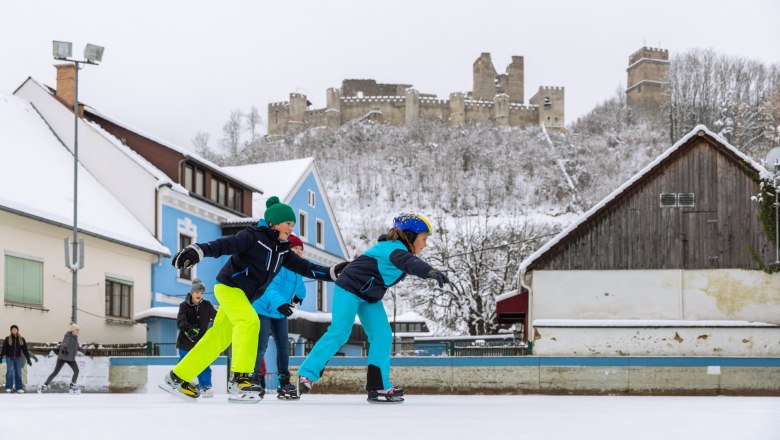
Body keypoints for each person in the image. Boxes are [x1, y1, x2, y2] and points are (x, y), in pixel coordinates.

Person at [162, 196, 347, 403]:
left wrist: (330, 272)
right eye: (288, 223)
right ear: (273, 223)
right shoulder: (253, 236)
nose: (291, 228)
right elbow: (225, 245)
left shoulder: (283, 250)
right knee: (250, 321)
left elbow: (305, 267)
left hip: (244, 297)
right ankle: (240, 378)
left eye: (293, 225)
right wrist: (198, 250)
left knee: (219, 338)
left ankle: (178, 377)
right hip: (229, 287)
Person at [297, 213, 449, 403]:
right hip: (349, 289)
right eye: (424, 239)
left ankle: (378, 387)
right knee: (340, 332)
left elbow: (407, 263)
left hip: (369, 296)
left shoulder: (399, 251)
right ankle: (307, 374)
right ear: (410, 236)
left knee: (382, 335)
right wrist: (428, 271)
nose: (425, 244)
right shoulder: (393, 249)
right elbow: (409, 263)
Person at [251, 233, 307, 400]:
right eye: (295, 248)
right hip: (263, 308)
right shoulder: (280, 266)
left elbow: (301, 285)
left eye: (301, 249)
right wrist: (281, 303)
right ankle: (253, 379)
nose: (298, 252)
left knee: (283, 345)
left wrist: (299, 296)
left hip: (279, 311)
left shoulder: (298, 269)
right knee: (261, 345)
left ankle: (284, 383)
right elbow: (269, 288)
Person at [176, 277, 217, 397]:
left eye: (201, 292)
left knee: (204, 364)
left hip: (201, 342)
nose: (199, 294)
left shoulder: (207, 305)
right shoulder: (184, 306)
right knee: (185, 363)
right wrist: (188, 329)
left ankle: (205, 386)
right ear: (191, 293)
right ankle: (180, 383)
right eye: (196, 292)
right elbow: (181, 320)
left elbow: (217, 317)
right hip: (185, 342)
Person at [40, 324, 85, 394]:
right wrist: (64, 348)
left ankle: (72, 387)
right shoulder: (68, 335)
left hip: (70, 358)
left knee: (76, 370)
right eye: (77, 330)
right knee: (55, 372)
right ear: (73, 330)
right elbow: (65, 343)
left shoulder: (75, 338)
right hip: (63, 357)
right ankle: (44, 385)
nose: (78, 331)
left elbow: (77, 347)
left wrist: (85, 351)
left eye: (78, 330)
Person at [1, 324, 35, 393]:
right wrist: (1, 356)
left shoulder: (21, 339)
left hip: (17, 357)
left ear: (17, 330)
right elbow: (4, 348)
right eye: (13, 329)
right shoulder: (7, 338)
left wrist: (28, 358)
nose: (14, 330)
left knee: (18, 372)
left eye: (15, 329)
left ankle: (19, 387)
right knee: (9, 372)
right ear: (11, 330)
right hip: (9, 357)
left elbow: (25, 349)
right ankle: (9, 387)